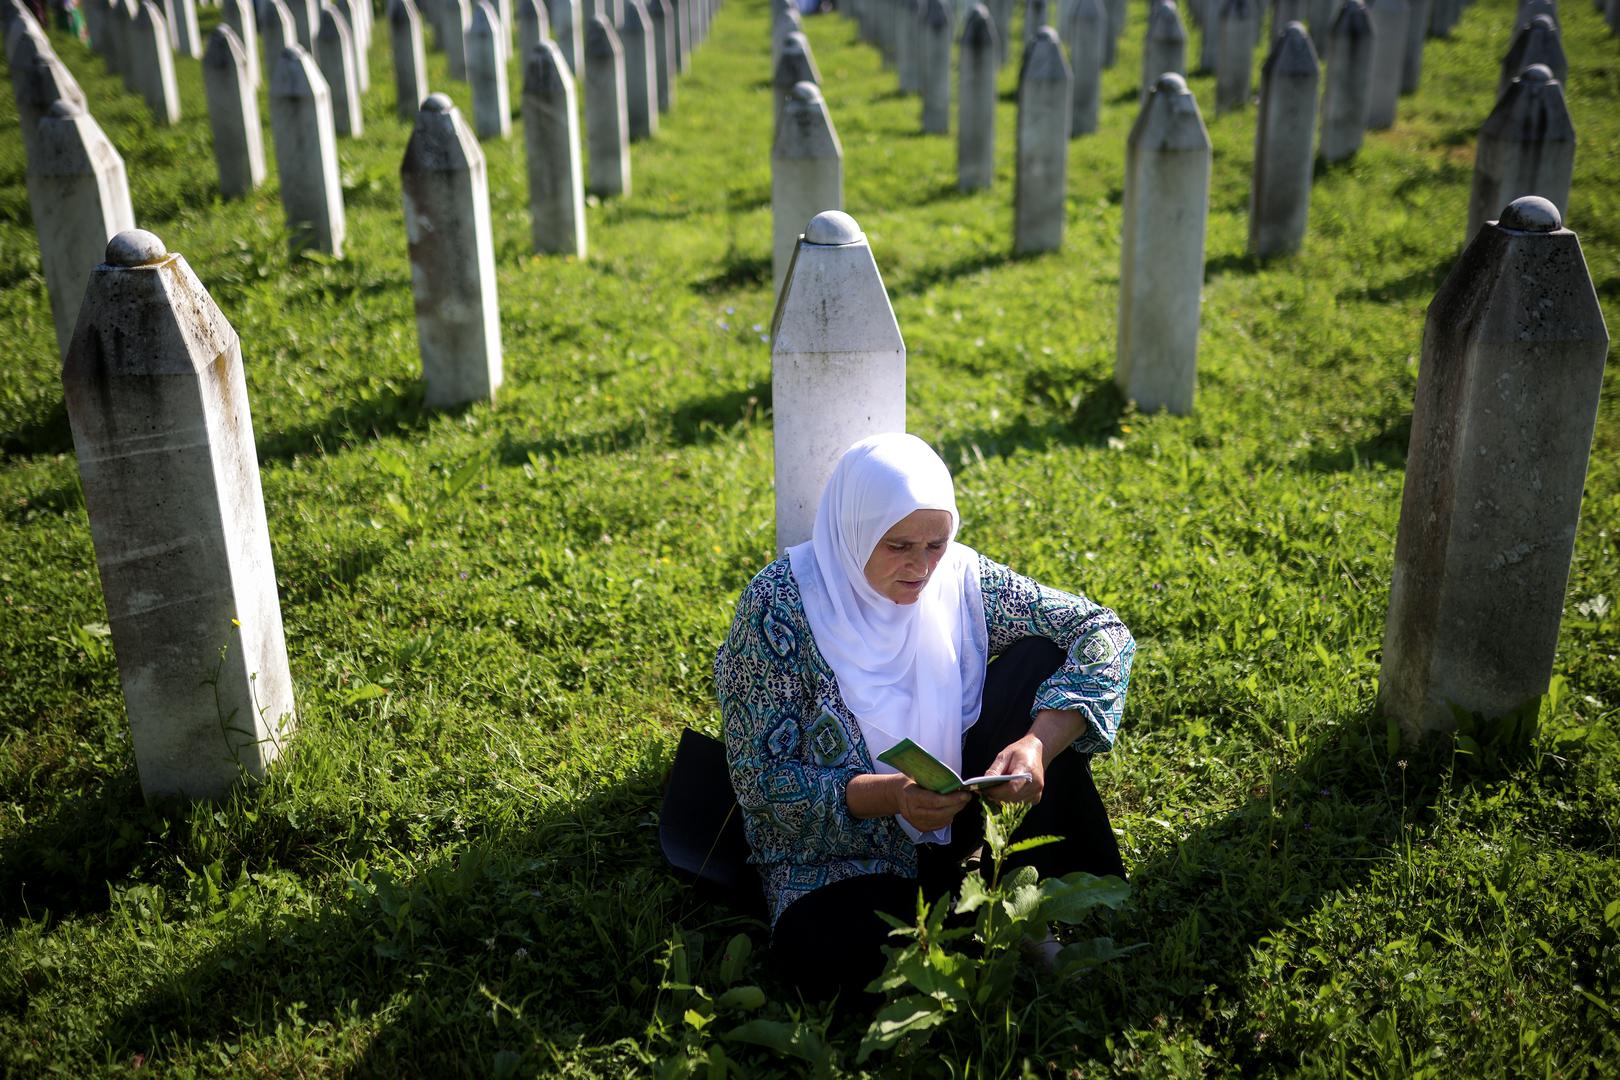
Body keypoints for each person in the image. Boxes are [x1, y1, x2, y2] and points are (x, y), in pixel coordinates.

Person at [713, 433, 1135, 1002]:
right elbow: (761, 782)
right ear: (852, 531)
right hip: (844, 850)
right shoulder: (780, 609)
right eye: (899, 546)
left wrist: (1037, 743)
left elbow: (1100, 632)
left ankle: (1017, 900)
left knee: (1044, 655)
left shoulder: (959, 578)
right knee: (832, 952)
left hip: (954, 812)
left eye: (937, 543)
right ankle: (988, 914)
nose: (921, 568)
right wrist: (894, 796)